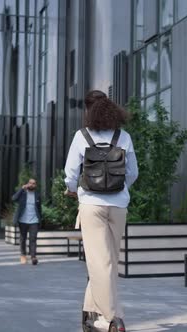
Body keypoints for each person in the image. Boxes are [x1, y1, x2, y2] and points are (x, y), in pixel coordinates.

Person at [64, 90, 138, 330]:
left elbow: (71, 173)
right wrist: (118, 188)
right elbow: (133, 172)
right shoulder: (123, 136)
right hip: (118, 206)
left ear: (89, 111)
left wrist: (72, 189)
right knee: (109, 262)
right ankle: (90, 315)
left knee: (98, 263)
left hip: (91, 205)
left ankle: (111, 318)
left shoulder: (81, 136)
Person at [12, 178, 42, 265]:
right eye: (30, 183)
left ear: (35, 186)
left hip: (34, 220)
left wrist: (40, 219)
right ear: (27, 184)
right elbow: (14, 198)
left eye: (34, 183)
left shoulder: (37, 195)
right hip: (23, 220)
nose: (31, 185)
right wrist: (22, 189)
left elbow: (39, 209)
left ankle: (33, 257)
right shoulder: (23, 194)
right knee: (23, 239)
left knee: (33, 239)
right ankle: (23, 255)